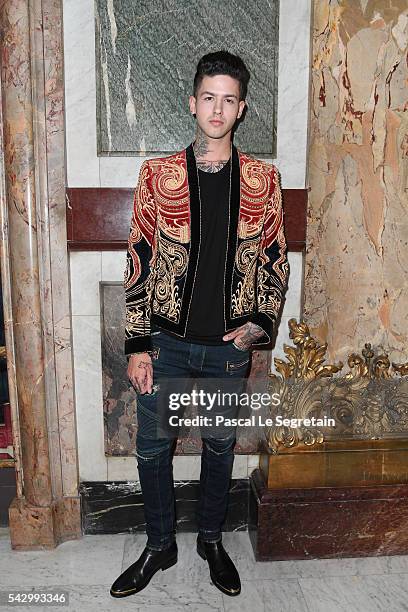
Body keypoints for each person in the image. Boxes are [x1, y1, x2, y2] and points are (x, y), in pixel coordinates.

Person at [110, 50, 288, 599]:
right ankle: (160, 544)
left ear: (242, 109)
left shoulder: (263, 179)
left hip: (225, 350)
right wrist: (138, 345)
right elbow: (138, 257)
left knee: (218, 445)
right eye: (208, 97)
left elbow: (275, 259)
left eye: (228, 99)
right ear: (193, 103)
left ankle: (211, 541)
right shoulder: (157, 175)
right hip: (163, 344)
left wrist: (257, 324)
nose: (217, 108)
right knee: (153, 448)